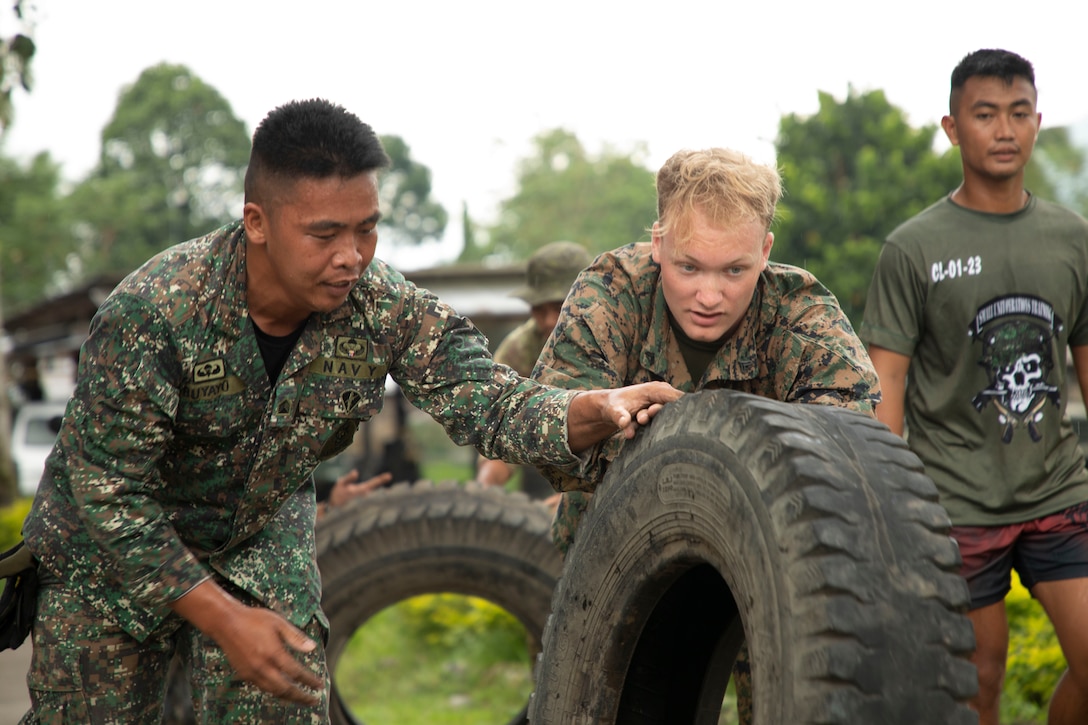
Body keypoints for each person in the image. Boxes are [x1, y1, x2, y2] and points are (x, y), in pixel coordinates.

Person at [17, 98, 682, 723]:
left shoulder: (378, 303)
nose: (351, 256)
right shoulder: (154, 312)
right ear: (257, 222)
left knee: (283, 696)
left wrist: (589, 409)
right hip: (109, 552)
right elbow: (113, 495)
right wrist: (221, 617)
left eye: (367, 230)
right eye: (325, 233)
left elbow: (487, 397)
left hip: (254, 532)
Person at [533, 146, 881, 724]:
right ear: (659, 243)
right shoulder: (611, 294)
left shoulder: (799, 313)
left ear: (765, 252)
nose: (710, 296)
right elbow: (548, 433)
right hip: (621, 568)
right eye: (689, 266)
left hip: (771, 558)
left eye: (735, 270)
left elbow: (850, 451)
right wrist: (606, 409)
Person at [861, 48, 1088, 725]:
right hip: (954, 498)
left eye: (1019, 113)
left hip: (1057, 486)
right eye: (985, 114)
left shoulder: (1073, 238)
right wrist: (886, 510)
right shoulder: (914, 247)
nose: (1004, 129)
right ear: (952, 127)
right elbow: (888, 383)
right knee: (980, 677)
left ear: (1038, 122)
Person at [476, 240, 592, 495]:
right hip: (549, 465)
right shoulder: (519, 351)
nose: (550, 320)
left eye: (560, 306)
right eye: (539, 310)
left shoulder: (619, 335)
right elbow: (498, 426)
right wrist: (485, 489)